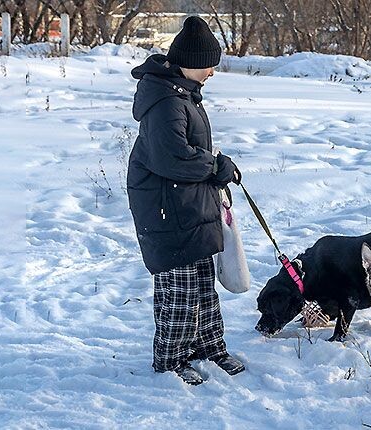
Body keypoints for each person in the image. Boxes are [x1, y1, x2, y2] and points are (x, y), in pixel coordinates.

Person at [127, 16, 245, 385]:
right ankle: (170, 360)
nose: (212, 71)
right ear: (191, 62)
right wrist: (215, 166)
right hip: (166, 211)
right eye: (209, 63)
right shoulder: (165, 101)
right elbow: (173, 157)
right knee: (179, 293)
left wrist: (216, 169)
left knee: (202, 287)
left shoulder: (181, 94)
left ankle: (207, 347)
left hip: (188, 205)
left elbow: (187, 151)